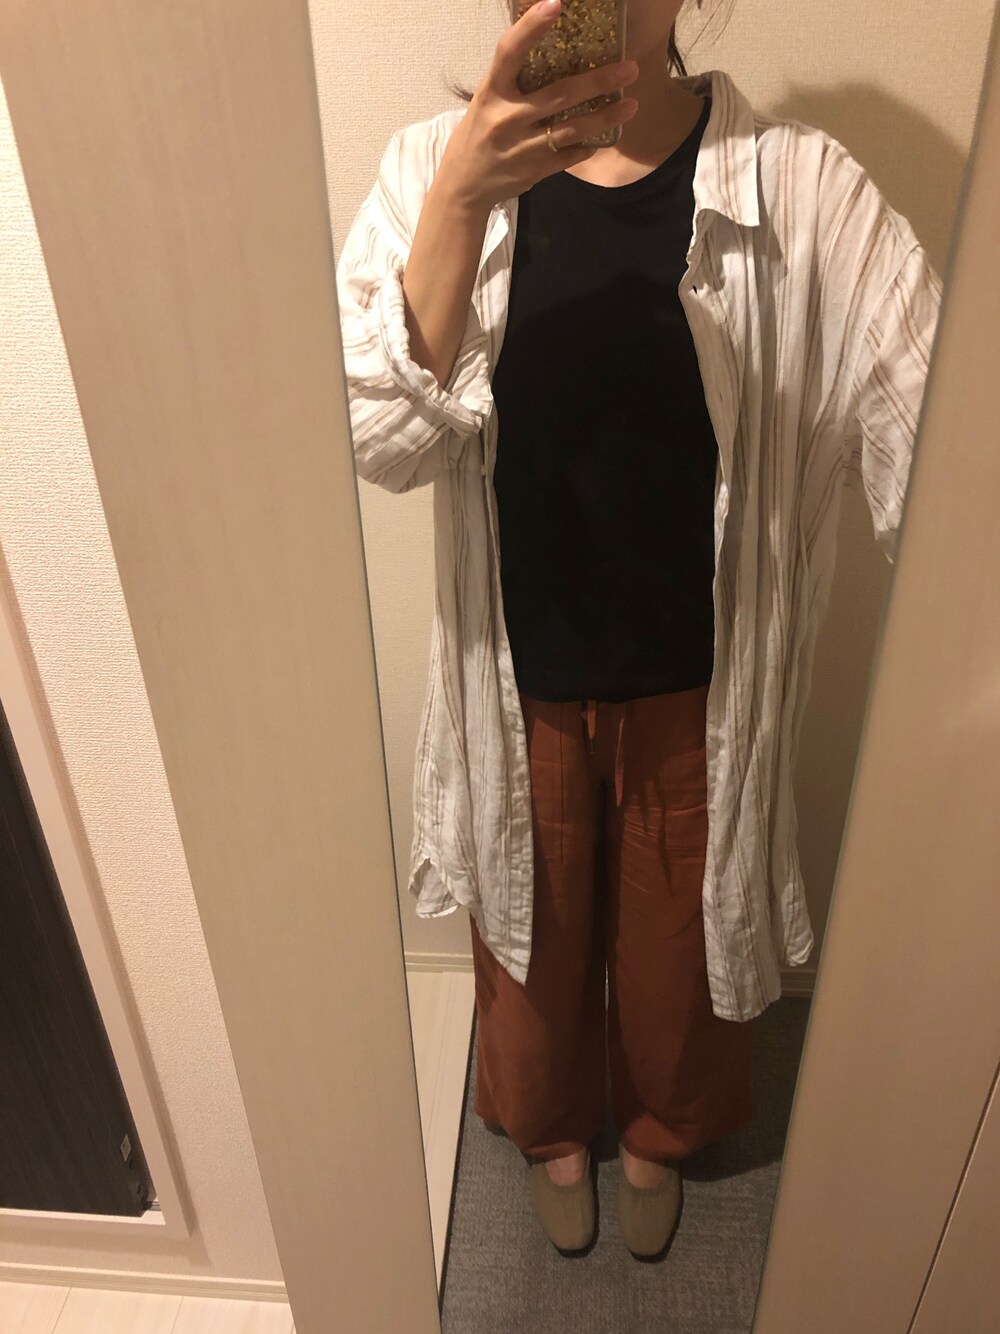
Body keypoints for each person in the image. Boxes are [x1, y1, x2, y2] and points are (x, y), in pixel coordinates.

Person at [335, 0, 942, 1259]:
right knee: (530, 950)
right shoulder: (427, 171)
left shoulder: (805, 194)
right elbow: (378, 441)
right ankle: (553, 1126)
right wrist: (462, 196)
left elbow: (940, 456)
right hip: (517, 680)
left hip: (699, 691)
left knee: (680, 968)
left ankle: (662, 1130)